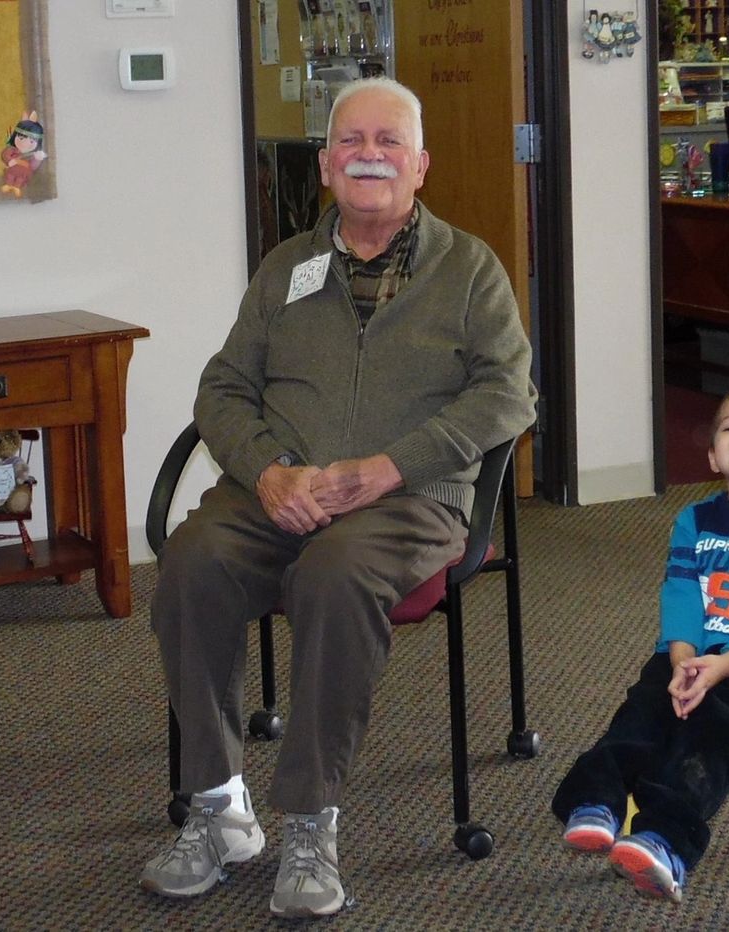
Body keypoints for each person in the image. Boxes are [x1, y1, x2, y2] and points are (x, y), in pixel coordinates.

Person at [140, 76, 537, 919]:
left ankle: (309, 822)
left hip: (410, 499)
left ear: (419, 164)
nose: (368, 154)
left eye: (388, 141)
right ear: (324, 164)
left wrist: (393, 465)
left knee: (334, 575)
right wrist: (269, 469)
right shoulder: (287, 267)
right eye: (351, 141)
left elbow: (508, 394)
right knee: (192, 559)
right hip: (279, 491)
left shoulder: (469, 269)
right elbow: (221, 389)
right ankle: (217, 808)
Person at [551, 385, 729, 904]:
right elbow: (680, 591)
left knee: (710, 735)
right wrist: (681, 656)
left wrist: (724, 665)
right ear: (712, 456)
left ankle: (665, 841)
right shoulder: (694, 519)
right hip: (686, 655)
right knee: (640, 714)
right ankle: (597, 800)